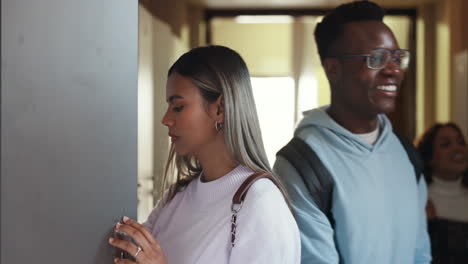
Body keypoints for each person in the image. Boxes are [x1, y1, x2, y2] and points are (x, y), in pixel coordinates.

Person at [108, 45, 301, 264]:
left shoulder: (262, 203)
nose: (166, 119)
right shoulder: (175, 199)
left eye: (178, 107)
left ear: (221, 109)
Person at [273, 1, 431, 263]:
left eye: (396, 57)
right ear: (333, 69)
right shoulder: (303, 163)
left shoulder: (405, 152)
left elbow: (420, 252)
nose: (393, 70)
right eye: (377, 58)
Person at [416, 122, 468, 263]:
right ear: (431, 157)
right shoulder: (418, 202)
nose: (457, 148)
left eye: (461, 142)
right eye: (446, 144)